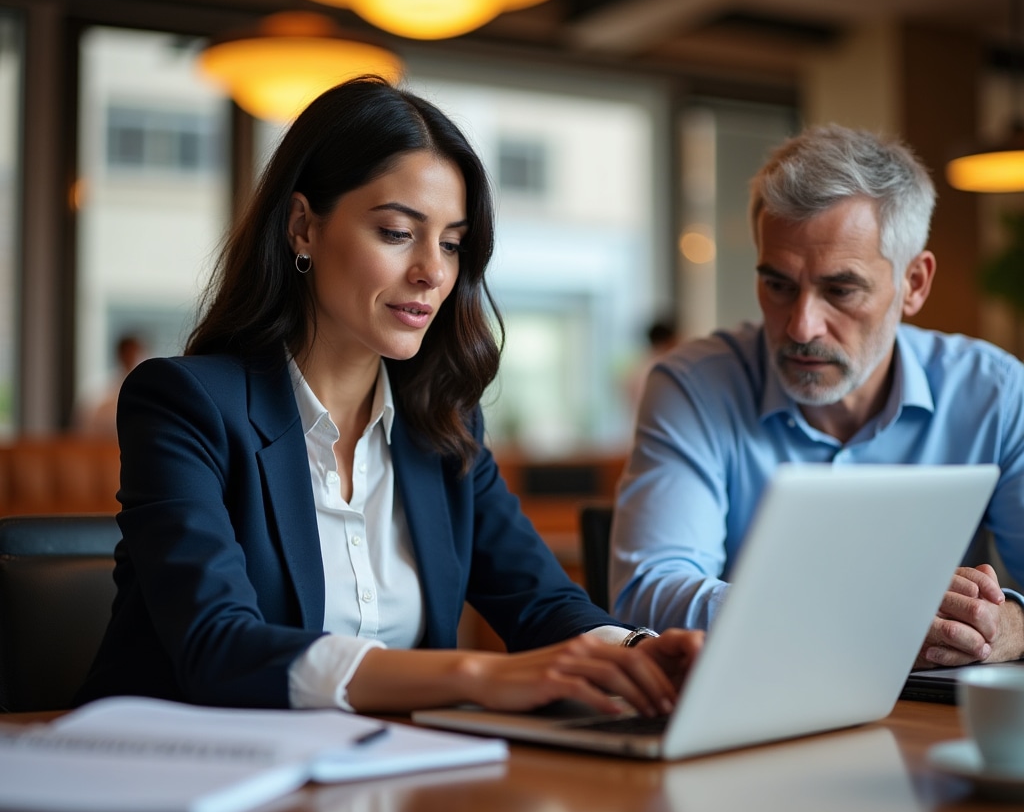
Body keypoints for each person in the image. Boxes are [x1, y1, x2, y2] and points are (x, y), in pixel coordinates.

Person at [76, 76, 702, 715]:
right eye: (398, 232)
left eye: (452, 243)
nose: (433, 271)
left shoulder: (442, 426)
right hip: (182, 785)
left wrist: (637, 653)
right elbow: (218, 648)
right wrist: (471, 675)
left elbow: (540, 601)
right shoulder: (186, 404)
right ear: (303, 228)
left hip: (383, 780)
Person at [610, 124, 1024, 670]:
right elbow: (649, 593)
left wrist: (1003, 627)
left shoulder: (994, 392)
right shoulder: (694, 384)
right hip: (754, 707)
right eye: (778, 285)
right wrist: (855, 616)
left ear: (914, 284)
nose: (802, 326)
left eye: (840, 289)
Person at [73, 333, 148, 437]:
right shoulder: (104, 397)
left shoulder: (149, 389)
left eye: (135, 353)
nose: (132, 358)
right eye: (129, 353)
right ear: (121, 355)